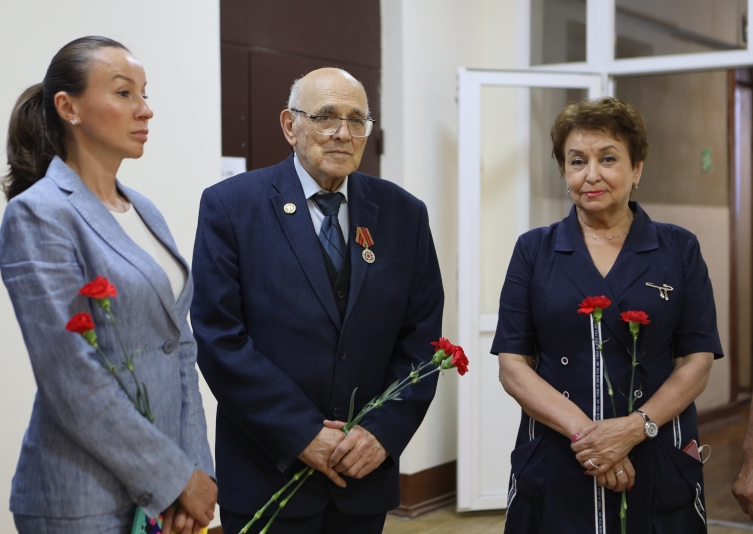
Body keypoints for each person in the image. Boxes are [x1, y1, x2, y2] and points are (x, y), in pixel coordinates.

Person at [191, 67, 444, 533]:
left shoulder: (404, 214)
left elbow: (422, 339)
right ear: (290, 125)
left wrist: (381, 433)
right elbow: (219, 337)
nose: (343, 133)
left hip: (361, 475)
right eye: (326, 116)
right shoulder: (232, 206)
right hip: (267, 474)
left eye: (357, 120)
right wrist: (302, 433)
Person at [0, 36, 216, 534]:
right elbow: (70, 376)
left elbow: (180, 347)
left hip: (168, 495)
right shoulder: (39, 213)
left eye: (145, 93)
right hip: (82, 499)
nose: (146, 109)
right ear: (68, 107)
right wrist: (173, 478)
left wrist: (197, 469)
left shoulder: (144, 209)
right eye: (124, 93)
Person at [492, 97, 723, 533]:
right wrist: (591, 438)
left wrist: (634, 429)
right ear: (564, 171)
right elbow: (512, 365)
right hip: (560, 454)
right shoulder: (534, 250)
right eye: (577, 161)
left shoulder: (678, 249)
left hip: (656, 451)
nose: (591, 174)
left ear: (637, 169)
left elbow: (697, 360)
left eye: (609, 158)